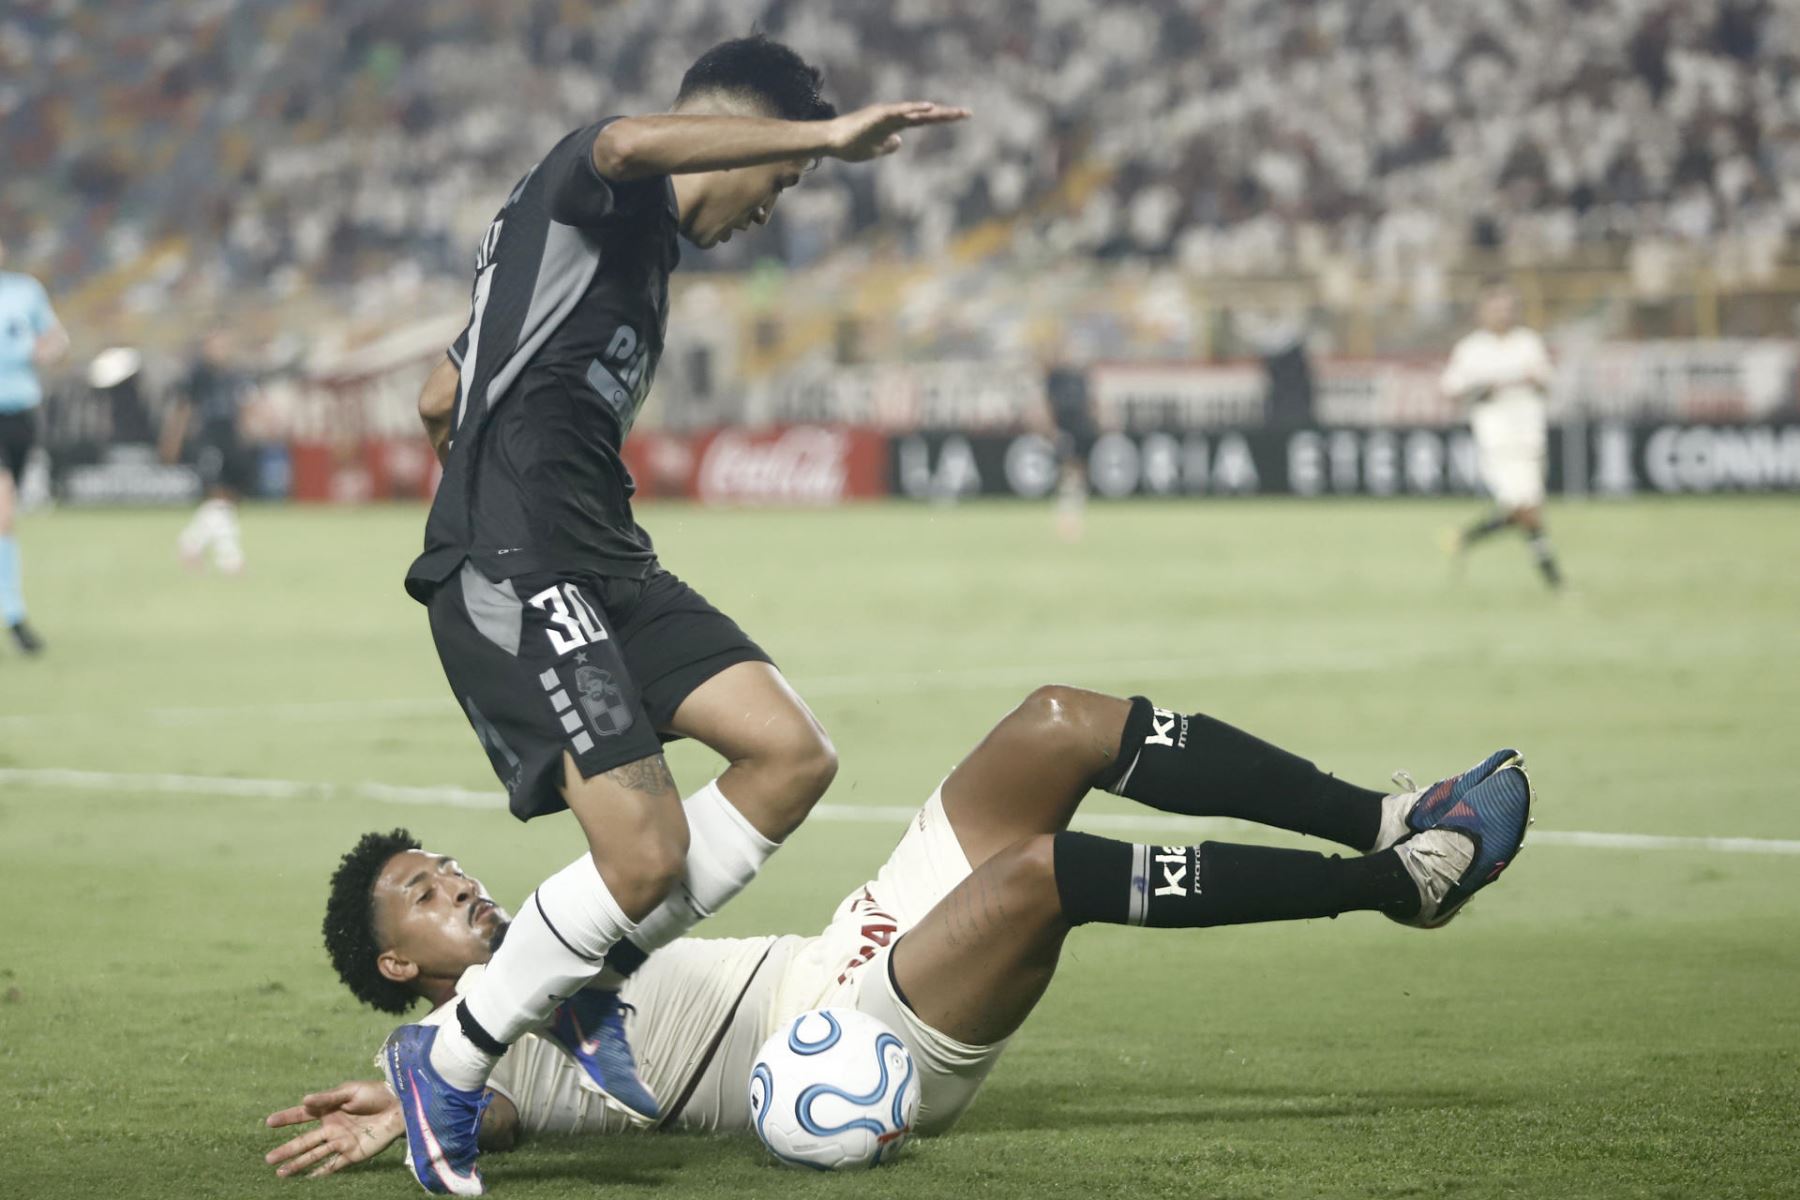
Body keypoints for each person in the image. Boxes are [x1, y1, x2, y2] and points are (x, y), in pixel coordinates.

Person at [390, 33, 969, 1193]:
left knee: (789, 754)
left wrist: (472, 422)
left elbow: (438, 390)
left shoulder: (628, 250)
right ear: (738, 131)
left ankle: (584, 982)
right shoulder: (598, 183)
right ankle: (444, 1062)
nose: (774, 207)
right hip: (525, 560)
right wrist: (825, 135)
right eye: (781, 182)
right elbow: (619, 140)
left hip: (607, 556)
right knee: (644, 851)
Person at [265, 684, 1535, 1182]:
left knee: (1057, 723)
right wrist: (404, 1101)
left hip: (851, 941)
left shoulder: (561, 924)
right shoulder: (458, 1047)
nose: (460, 888)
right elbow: (478, 1108)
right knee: (1040, 874)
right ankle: (1403, 885)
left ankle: (1380, 815)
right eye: (426, 898)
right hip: (851, 1043)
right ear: (402, 969)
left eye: (443, 868)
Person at [1441, 280, 1563, 589]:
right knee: (1527, 509)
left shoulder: (1528, 343)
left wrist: (1533, 381)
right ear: (1482, 312)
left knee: (1523, 510)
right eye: (1497, 308)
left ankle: (1466, 538)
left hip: (1530, 437)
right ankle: (1555, 582)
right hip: (1497, 441)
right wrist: (1483, 389)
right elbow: (1450, 390)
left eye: (1509, 308)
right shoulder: (1471, 349)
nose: (1504, 314)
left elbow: (1547, 381)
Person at [0, 234, 68, 655]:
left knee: (6, 519)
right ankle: (16, 616)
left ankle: (13, 612)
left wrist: (48, 350)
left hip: (20, 415)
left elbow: (56, 338)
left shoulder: (25, 290)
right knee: (2, 511)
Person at [162, 330, 258, 574]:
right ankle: (230, 559)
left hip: (231, 440)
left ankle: (190, 544)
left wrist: (248, 434)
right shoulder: (197, 376)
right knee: (216, 496)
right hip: (208, 439)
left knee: (228, 501)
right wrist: (173, 440)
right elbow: (183, 410)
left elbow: (244, 406)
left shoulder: (235, 375)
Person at [1041, 360, 1096, 542]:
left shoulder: (1080, 376)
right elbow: (1048, 404)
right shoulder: (1055, 376)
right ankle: (1065, 515)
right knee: (1065, 471)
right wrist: (1051, 430)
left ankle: (1074, 511)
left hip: (1081, 429)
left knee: (1078, 470)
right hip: (1063, 429)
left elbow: (1090, 401)